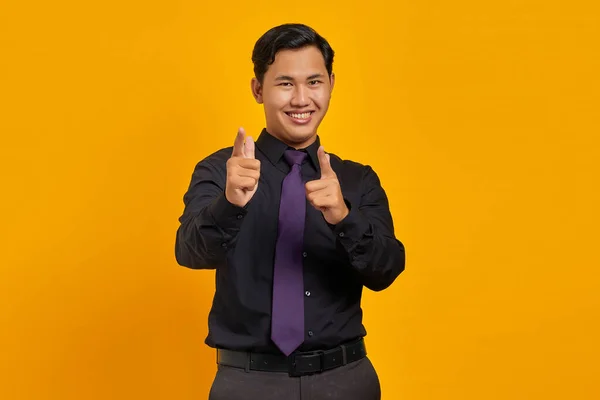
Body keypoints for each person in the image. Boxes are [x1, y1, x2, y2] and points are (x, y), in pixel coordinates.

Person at [175, 23, 406, 400]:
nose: (301, 99)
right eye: (285, 83)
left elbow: (386, 271)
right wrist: (230, 203)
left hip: (345, 381)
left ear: (331, 83)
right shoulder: (222, 170)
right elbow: (189, 253)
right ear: (258, 89)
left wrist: (344, 217)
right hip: (248, 384)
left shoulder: (356, 180)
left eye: (314, 82)